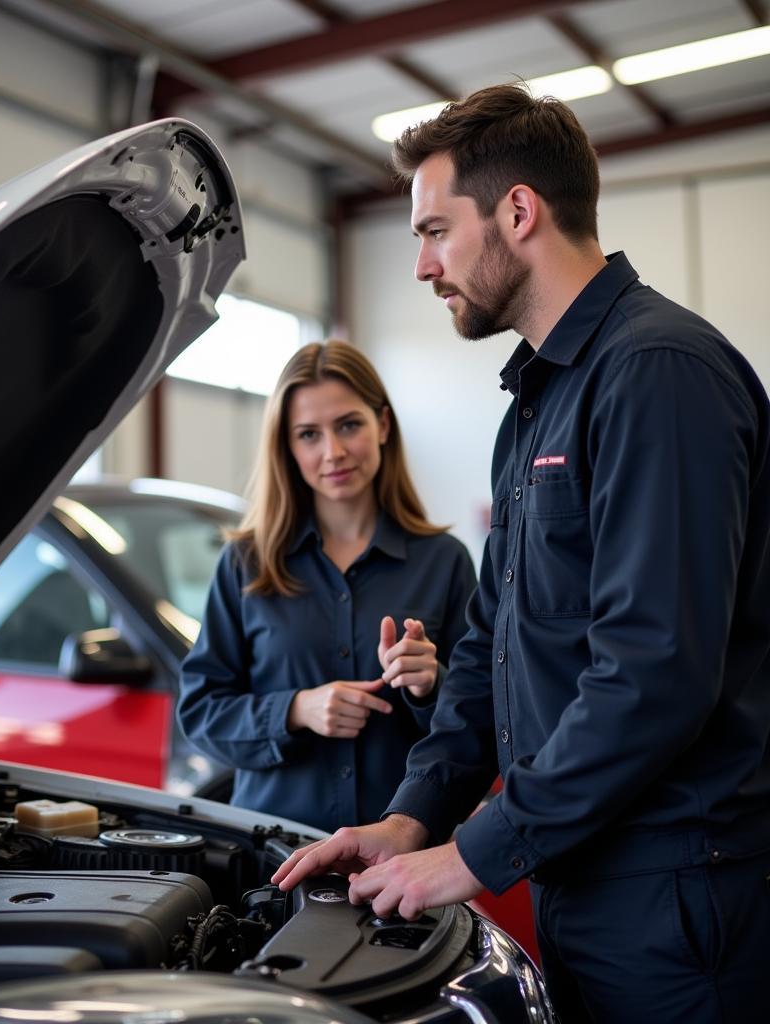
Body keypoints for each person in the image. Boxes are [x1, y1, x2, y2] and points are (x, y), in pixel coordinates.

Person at [272, 84, 770, 1024]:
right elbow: (490, 645)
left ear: (517, 210)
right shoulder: (535, 406)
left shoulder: (658, 375)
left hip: (681, 898)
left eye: (433, 231)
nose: (422, 266)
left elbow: (654, 670)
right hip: (581, 877)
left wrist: (473, 853)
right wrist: (412, 816)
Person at [177, 340, 476, 834]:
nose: (332, 452)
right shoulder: (246, 563)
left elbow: (484, 723)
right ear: (288, 448)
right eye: (308, 434)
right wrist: (295, 710)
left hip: (402, 865)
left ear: (382, 424)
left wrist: (431, 685)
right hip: (275, 860)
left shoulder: (444, 563)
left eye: (349, 425)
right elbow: (200, 713)